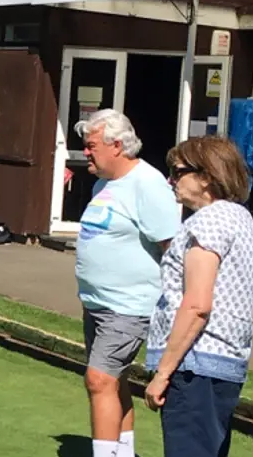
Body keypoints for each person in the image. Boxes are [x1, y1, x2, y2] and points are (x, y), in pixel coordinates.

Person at [145, 136, 253, 457]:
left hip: (194, 367)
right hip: (226, 365)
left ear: (206, 177)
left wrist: (163, 373)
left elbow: (197, 305)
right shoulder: (242, 219)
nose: (170, 180)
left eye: (177, 172)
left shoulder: (207, 222)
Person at [71, 109, 180, 457]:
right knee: (114, 381)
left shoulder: (148, 185)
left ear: (116, 145)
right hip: (98, 304)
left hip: (129, 306)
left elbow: (174, 251)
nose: (85, 152)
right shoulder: (105, 183)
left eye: (91, 146)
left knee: (99, 380)